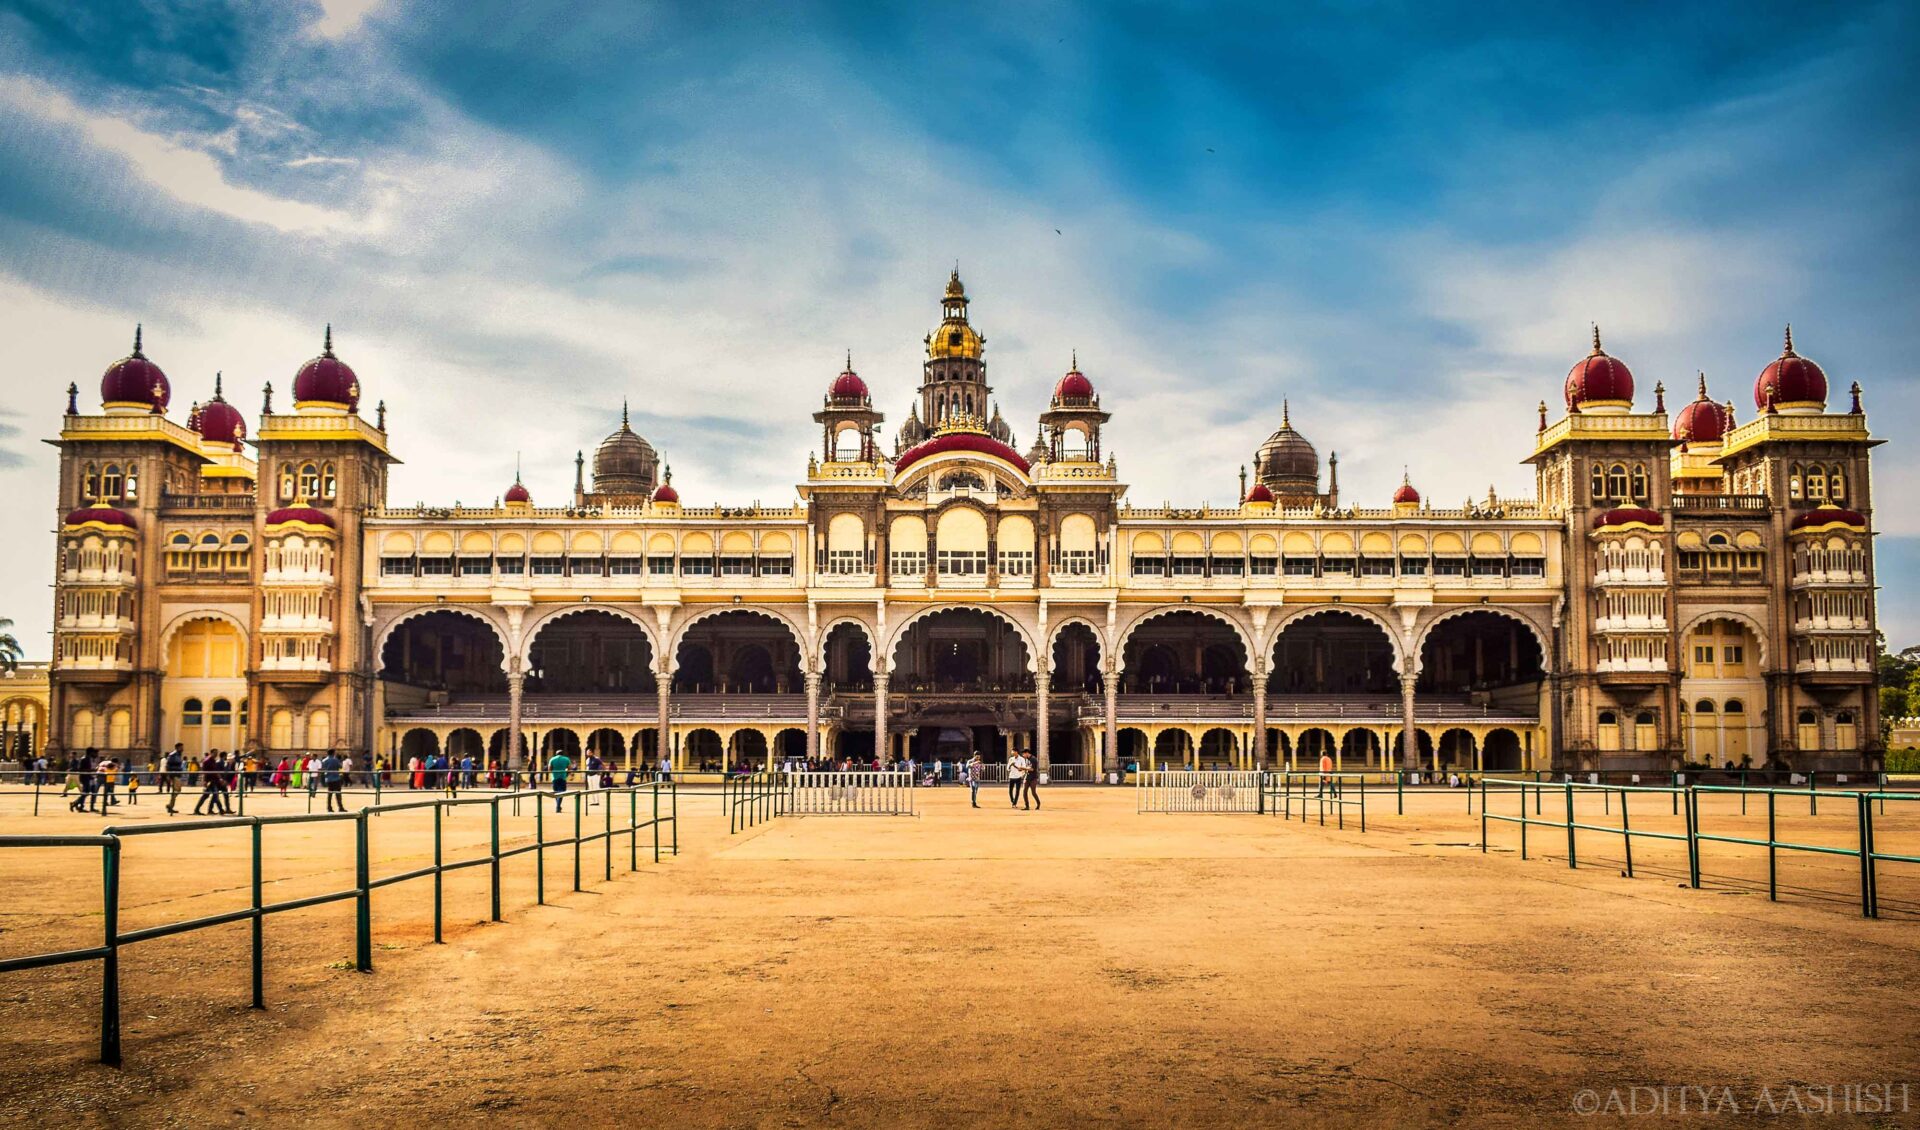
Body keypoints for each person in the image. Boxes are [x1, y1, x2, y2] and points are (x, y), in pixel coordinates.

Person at [162, 744, 186, 815]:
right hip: (174, 775)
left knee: (177, 790)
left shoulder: (178, 755)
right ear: (177, 748)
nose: (182, 749)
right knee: (176, 790)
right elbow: (167, 765)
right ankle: (170, 806)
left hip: (177, 775)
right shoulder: (173, 755)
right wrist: (169, 775)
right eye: (181, 747)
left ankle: (170, 805)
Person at [549, 747, 572, 812]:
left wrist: (553, 772)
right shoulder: (566, 759)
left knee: (556, 792)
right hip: (562, 777)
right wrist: (566, 774)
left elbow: (549, 769)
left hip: (554, 777)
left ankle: (558, 806)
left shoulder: (552, 759)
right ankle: (558, 806)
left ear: (556, 754)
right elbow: (569, 768)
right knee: (561, 792)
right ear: (562, 754)